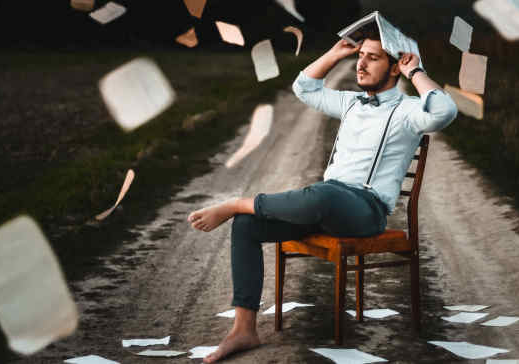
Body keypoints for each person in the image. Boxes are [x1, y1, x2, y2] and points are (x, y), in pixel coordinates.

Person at [187, 30, 457, 363]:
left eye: (373, 58)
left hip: (365, 211)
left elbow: (444, 111)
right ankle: (244, 330)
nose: (361, 64)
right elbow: (303, 87)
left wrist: (416, 71)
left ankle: (236, 204)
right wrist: (334, 54)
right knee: (247, 226)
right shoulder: (350, 102)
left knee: (321, 195)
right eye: (361, 56)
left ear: (394, 68)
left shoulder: (410, 110)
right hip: (325, 204)